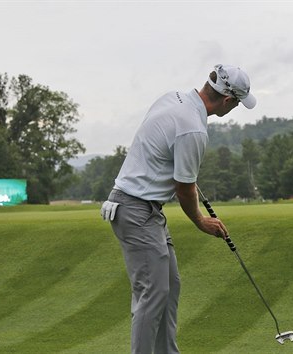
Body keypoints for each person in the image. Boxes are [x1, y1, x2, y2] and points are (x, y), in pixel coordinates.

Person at [100, 64, 256, 354]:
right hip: (135, 210)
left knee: (169, 286)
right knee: (153, 293)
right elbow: (184, 189)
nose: (235, 108)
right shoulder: (193, 129)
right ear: (227, 100)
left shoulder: (173, 98)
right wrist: (200, 220)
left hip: (145, 210)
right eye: (236, 103)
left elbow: (167, 158)